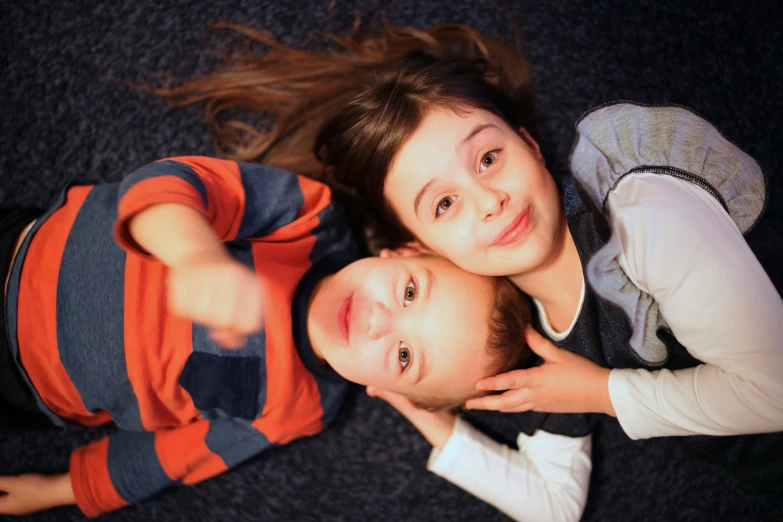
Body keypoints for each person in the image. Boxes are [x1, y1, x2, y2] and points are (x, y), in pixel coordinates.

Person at [160, 20, 783, 499]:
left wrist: (603, 393)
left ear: (530, 144)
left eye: (488, 158)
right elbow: (553, 505)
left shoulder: (642, 214)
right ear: (424, 247)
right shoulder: (515, 335)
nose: (490, 202)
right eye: (445, 204)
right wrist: (418, 404)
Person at [0, 156, 542, 517]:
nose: (379, 322)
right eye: (408, 294)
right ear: (404, 253)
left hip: (30, 385)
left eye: (403, 356)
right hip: (24, 256)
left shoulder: (299, 408)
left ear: (387, 391)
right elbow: (165, 182)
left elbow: (177, 455)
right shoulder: (308, 217)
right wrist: (193, 254)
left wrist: (61, 491)